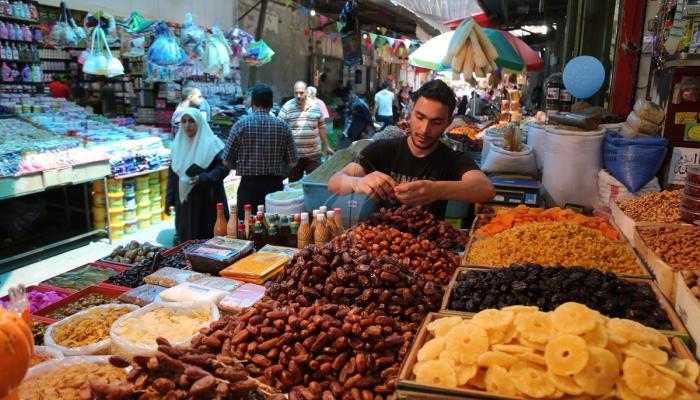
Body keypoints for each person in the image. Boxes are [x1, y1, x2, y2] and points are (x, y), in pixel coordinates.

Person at [328, 80, 496, 219]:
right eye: (420, 117)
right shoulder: (383, 149)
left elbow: (486, 190)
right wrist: (358, 182)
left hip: (428, 248)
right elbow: (334, 182)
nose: (424, 129)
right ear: (411, 111)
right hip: (381, 243)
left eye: (436, 122)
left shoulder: (453, 159)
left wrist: (436, 190)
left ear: (448, 122)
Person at [223, 83, 299, 220]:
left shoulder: (240, 125)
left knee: (247, 228)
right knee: (274, 226)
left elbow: (226, 160)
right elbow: (293, 161)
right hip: (274, 187)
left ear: (252, 103)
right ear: (271, 104)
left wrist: (239, 166)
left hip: (248, 187)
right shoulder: (283, 127)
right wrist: (282, 172)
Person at [165, 108, 230, 242]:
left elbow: (223, 168)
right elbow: (173, 174)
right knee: (186, 239)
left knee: (207, 240)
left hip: (207, 200)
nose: (187, 125)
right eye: (184, 121)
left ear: (199, 123)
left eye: (191, 121)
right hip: (184, 202)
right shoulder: (178, 145)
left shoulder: (213, 144)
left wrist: (203, 178)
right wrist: (169, 199)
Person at [278, 81, 332, 182]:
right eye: (296, 93)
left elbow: (321, 127)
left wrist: (327, 146)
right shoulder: (287, 107)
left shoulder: (316, 108)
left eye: (301, 92)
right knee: (293, 186)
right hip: (293, 156)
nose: (298, 96)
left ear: (307, 92)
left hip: (313, 155)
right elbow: (279, 128)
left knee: (315, 183)